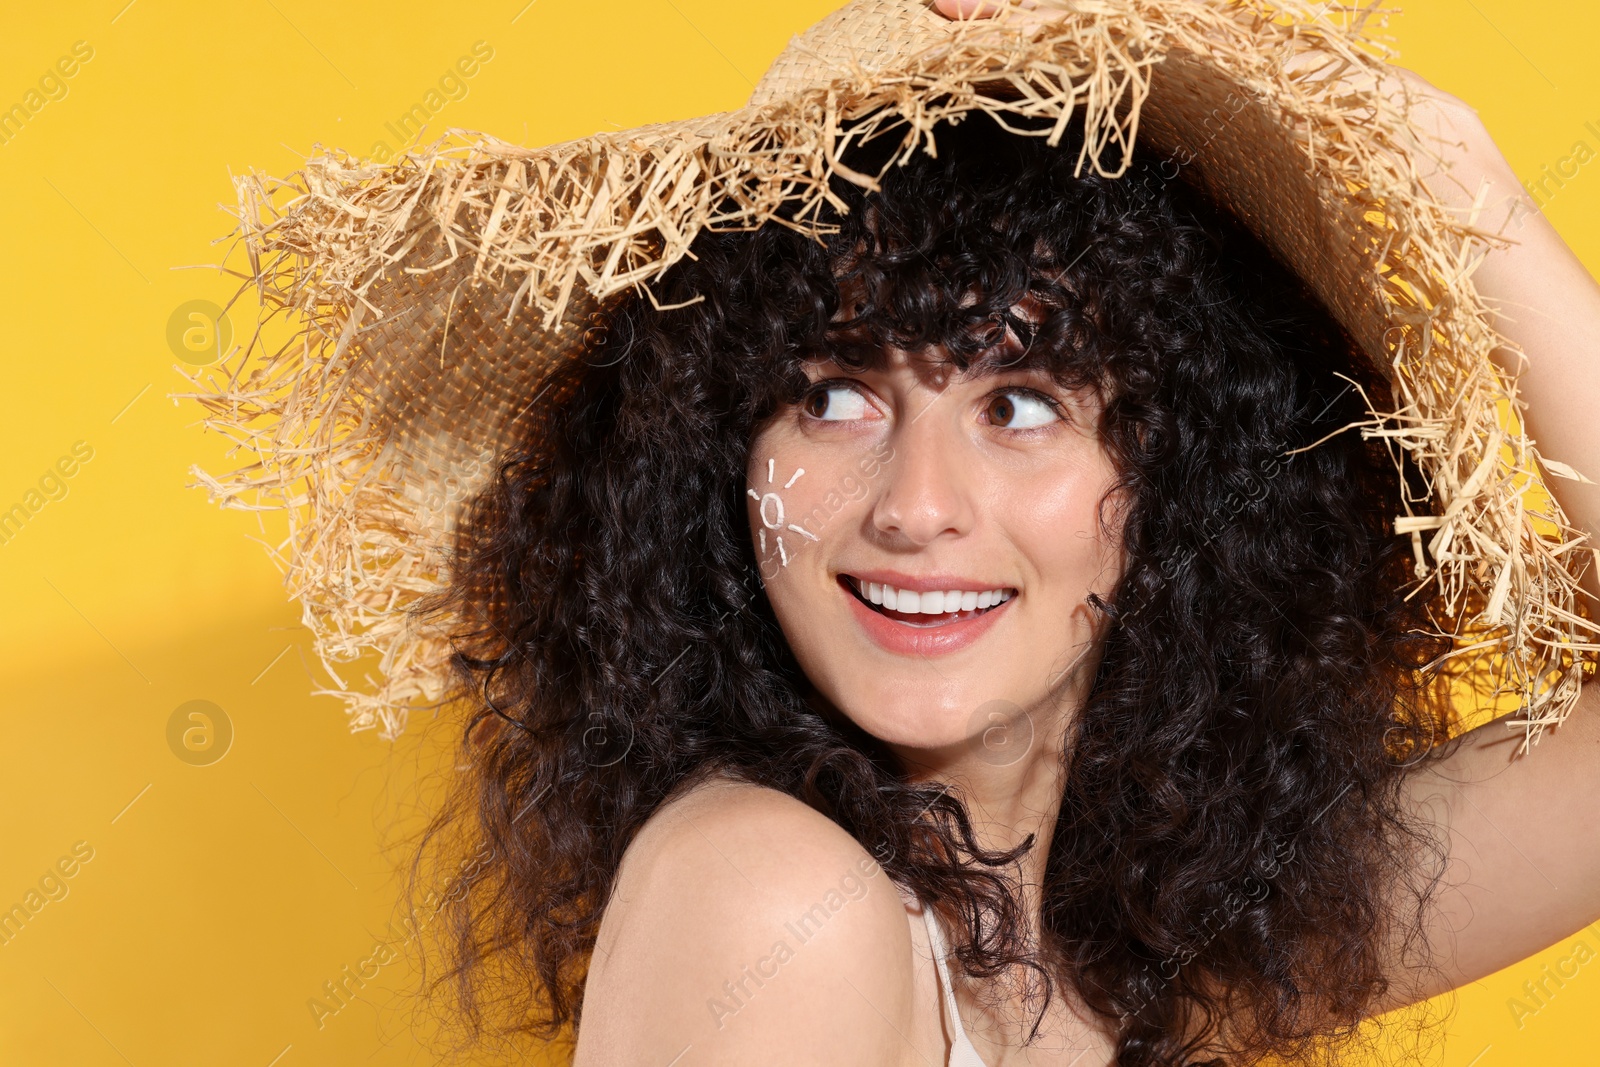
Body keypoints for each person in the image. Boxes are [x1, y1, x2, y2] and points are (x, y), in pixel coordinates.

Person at [188, 1, 1600, 1064]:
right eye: (836, 395)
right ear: (714, 466)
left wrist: (1432, 159)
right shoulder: (774, 902)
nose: (917, 506)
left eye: (1025, 402)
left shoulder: (1131, 946)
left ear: (1180, 481)